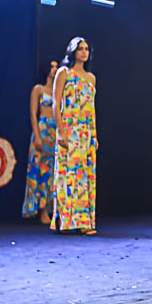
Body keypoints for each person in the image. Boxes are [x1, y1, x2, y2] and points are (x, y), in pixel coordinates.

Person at [52, 37, 97, 235]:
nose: (84, 52)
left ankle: (85, 221)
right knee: (67, 175)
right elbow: (56, 103)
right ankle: (64, 220)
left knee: (85, 176)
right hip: (69, 130)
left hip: (86, 133)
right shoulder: (64, 73)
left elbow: (92, 109)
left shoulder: (91, 78)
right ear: (73, 51)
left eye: (86, 49)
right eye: (80, 49)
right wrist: (61, 131)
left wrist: (95, 135)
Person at [22, 59, 58, 225]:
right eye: (52, 66)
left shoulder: (58, 90)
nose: (54, 69)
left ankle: (50, 208)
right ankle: (39, 209)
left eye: (56, 67)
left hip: (55, 132)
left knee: (52, 173)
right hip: (42, 130)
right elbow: (33, 114)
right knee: (39, 170)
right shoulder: (39, 89)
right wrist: (37, 136)